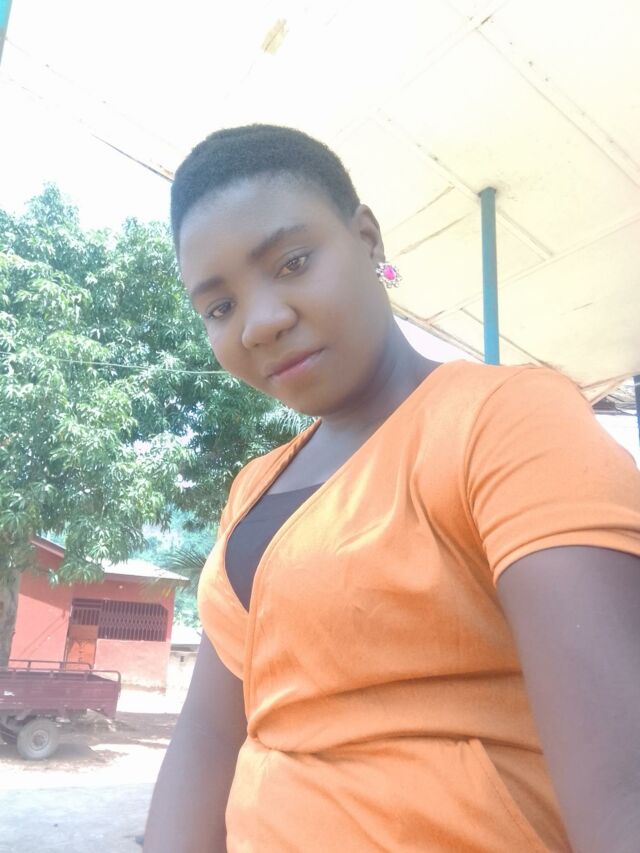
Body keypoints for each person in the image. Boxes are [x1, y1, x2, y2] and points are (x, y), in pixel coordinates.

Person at [143, 125, 640, 853]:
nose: (260, 323)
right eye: (219, 308)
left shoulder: (503, 419)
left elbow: (624, 783)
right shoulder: (252, 489)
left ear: (367, 239)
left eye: (292, 262)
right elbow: (210, 738)